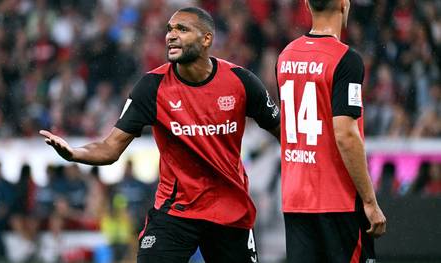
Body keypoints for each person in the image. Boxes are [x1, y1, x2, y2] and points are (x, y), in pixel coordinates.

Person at [40, 6, 280, 263]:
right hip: (175, 212)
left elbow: (285, 134)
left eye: (182, 29)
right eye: (169, 29)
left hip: (230, 211)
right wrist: (74, 153)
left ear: (206, 39)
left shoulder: (241, 82)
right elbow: (110, 148)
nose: (171, 35)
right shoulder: (151, 87)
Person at [275, 0, 387, 262]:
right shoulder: (347, 60)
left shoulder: (285, 56)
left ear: (306, 4)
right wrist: (370, 202)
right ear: (343, 4)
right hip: (338, 203)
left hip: (296, 200)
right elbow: (345, 135)